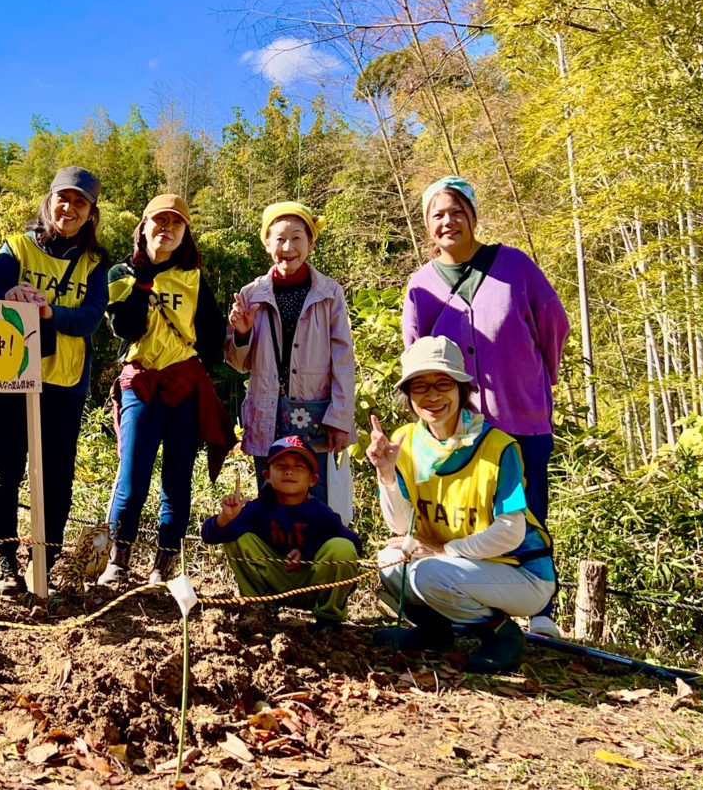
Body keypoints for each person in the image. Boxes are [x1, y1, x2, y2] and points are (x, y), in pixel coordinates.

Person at [403, 177, 568, 636]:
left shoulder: (514, 265)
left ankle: (541, 612)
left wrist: (537, 377)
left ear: (473, 216)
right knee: (467, 511)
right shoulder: (421, 284)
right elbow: (416, 354)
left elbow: (554, 323)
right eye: (437, 214)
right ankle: (476, 606)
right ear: (427, 225)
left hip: (522, 413)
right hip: (461, 426)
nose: (447, 221)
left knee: (528, 509)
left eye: (456, 211)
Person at [366, 336, 556, 673]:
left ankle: (502, 636)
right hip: (459, 566)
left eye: (444, 384)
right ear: (409, 396)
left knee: (428, 573)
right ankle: (433, 631)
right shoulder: (406, 441)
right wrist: (387, 474)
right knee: (390, 560)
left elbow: (510, 532)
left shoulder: (497, 446)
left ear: (462, 390)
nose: (433, 396)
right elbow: (401, 526)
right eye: (420, 387)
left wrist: (443, 550)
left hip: (521, 573)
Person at [0, 166, 110, 595]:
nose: (69, 208)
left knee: (55, 474)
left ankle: (47, 562)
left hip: (65, 380)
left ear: (91, 212)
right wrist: (9, 297)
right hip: (10, 372)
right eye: (63, 198)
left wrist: (51, 312)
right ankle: (4, 560)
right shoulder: (15, 247)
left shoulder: (95, 262)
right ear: (48, 199)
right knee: (6, 466)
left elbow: (91, 318)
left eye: (80, 202)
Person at [98, 194, 235, 587]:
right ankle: (119, 560)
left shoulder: (193, 276)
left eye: (176, 223)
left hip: (183, 385)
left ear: (184, 233)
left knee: (177, 480)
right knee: (132, 476)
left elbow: (211, 333)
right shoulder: (120, 273)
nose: (167, 228)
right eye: (160, 221)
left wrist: (193, 366)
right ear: (143, 226)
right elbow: (124, 328)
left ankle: (164, 566)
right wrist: (143, 281)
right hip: (140, 382)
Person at [226, 201, 355, 509]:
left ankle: (315, 558)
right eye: (279, 238)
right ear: (267, 243)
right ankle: (272, 556)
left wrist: (340, 418)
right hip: (266, 412)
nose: (288, 246)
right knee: (270, 499)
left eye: (297, 237)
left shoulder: (329, 293)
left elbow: (343, 359)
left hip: (315, 414)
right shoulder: (251, 294)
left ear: (310, 243)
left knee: (315, 501)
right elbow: (238, 363)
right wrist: (242, 333)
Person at [201, 435, 361, 631]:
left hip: (312, 584)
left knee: (342, 548)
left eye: (298, 466)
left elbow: (354, 547)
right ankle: (257, 608)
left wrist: (307, 552)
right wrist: (225, 518)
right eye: (281, 465)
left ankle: (328, 619)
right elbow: (210, 536)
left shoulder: (320, 512)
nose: (289, 471)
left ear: (312, 480)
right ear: (267, 475)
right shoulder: (257, 508)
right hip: (273, 583)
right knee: (235, 537)